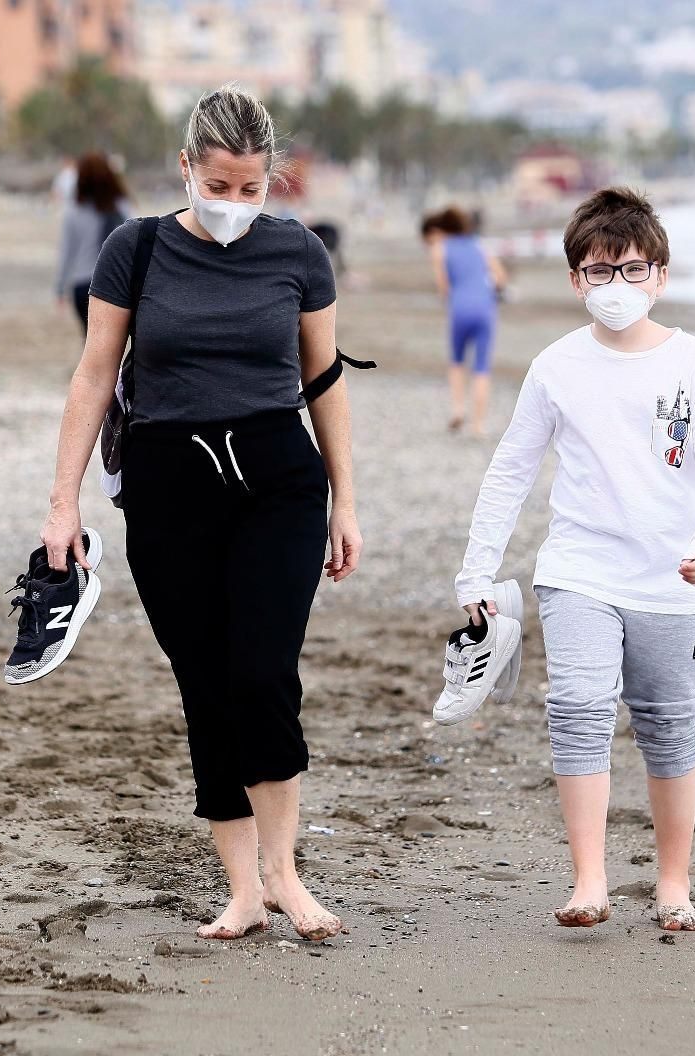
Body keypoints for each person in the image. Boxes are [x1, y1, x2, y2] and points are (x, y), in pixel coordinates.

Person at [36, 85, 361, 943]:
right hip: (168, 486)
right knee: (206, 686)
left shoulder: (297, 253)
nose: (234, 204)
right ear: (185, 168)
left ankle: (287, 874)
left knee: (262, 674)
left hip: (280, 484)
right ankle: (242, 889)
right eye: (218, 185)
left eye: (251, 188)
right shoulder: (133, 249)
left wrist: (346, 503)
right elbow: (93, 373)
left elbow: (323, 380)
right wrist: (62, 504)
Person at [450, 187, 695, 932]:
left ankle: (673, 885)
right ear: (576, 280)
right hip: (579, 571)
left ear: (660, 275)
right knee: (578, 709)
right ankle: (590, 882)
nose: (616, 287)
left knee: (671, 725)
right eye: (599, 272)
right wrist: (475, 572)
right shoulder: (557, 366)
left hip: (675, 579)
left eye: (632, 270)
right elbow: (511, 470)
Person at [423, 205, 506, 437]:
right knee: (481, 368)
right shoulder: (479, 245)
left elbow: (443, 286)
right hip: (485, 308)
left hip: (459, 308)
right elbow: (500, 277)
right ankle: (478, 425)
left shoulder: (440, 248)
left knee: (457, 362)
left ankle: (458, 410)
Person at [55, 152, 130, 333]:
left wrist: (60, 287)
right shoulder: (121, 207)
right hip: (116, 284)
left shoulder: (73, 211)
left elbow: (67, 252)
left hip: (82, 284)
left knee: (90, 341)